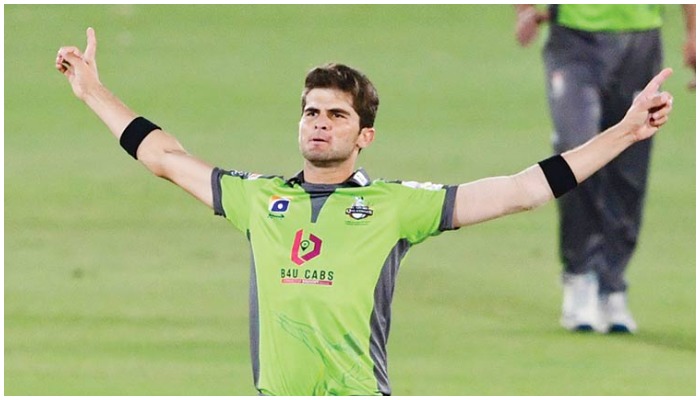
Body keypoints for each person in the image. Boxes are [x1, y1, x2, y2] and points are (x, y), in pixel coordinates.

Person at [56, 27, 673, 396]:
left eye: (337, 115)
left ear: (365, 135)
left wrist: (620, 134)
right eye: (311, 112)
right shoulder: (258, 199)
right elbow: (165, 156)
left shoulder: (396, 207)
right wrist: (92, 92)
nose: (320, 124)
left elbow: (521, 190)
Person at [514, 4, 695, 334]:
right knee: (576, 152)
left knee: (630, 165)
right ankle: (580, 274)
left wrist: (694, 30)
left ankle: (612, 283)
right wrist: (525, 8)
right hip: (574, 35)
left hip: (640, 36)